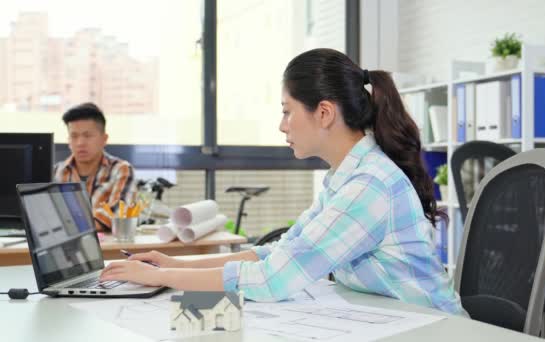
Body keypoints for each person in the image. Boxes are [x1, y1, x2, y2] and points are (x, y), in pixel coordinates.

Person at [100, 48, 466, 315]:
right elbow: (278, 253)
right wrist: (170, 265)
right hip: (397, 323)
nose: (282, 125)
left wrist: (164, 279)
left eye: (287, 111)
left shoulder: (369, 185)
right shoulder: (345, 177)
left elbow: (274, 279)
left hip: (439, 331)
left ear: (324, 113)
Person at [54, 102, 135, 231]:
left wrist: (67, 226)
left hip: (107, 248)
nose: (80, 143)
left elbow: (118, 213)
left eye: (87, 135)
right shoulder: (56, 172)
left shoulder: (121, 169)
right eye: (74, 136)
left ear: (104, 139)